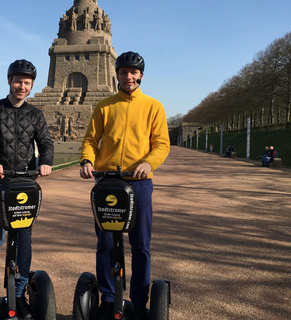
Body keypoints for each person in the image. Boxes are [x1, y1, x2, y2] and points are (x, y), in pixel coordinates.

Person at [79, 51, 170, 320]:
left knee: (140, 244)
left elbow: (161, 145)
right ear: (116, 74)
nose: (128, 77)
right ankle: (108, 298)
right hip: (107, 182)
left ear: (141, 75)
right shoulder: (105, 106)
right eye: (123, 72)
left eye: (133, 72)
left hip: (139, 182)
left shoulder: (153, 106)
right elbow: (90, 140)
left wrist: (149, 163)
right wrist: (86, 160)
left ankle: (139, 303)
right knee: (105, 243)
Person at [0, 59, 54, 320]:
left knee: (24, 240)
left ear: (32, 86)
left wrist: (45, 162)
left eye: (27, 83)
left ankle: (18, 295)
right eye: (18, 81)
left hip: (25, 185)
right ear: (9, 81)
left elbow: (45, 142)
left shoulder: (35, 114)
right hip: (0, 183)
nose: (22, 86)